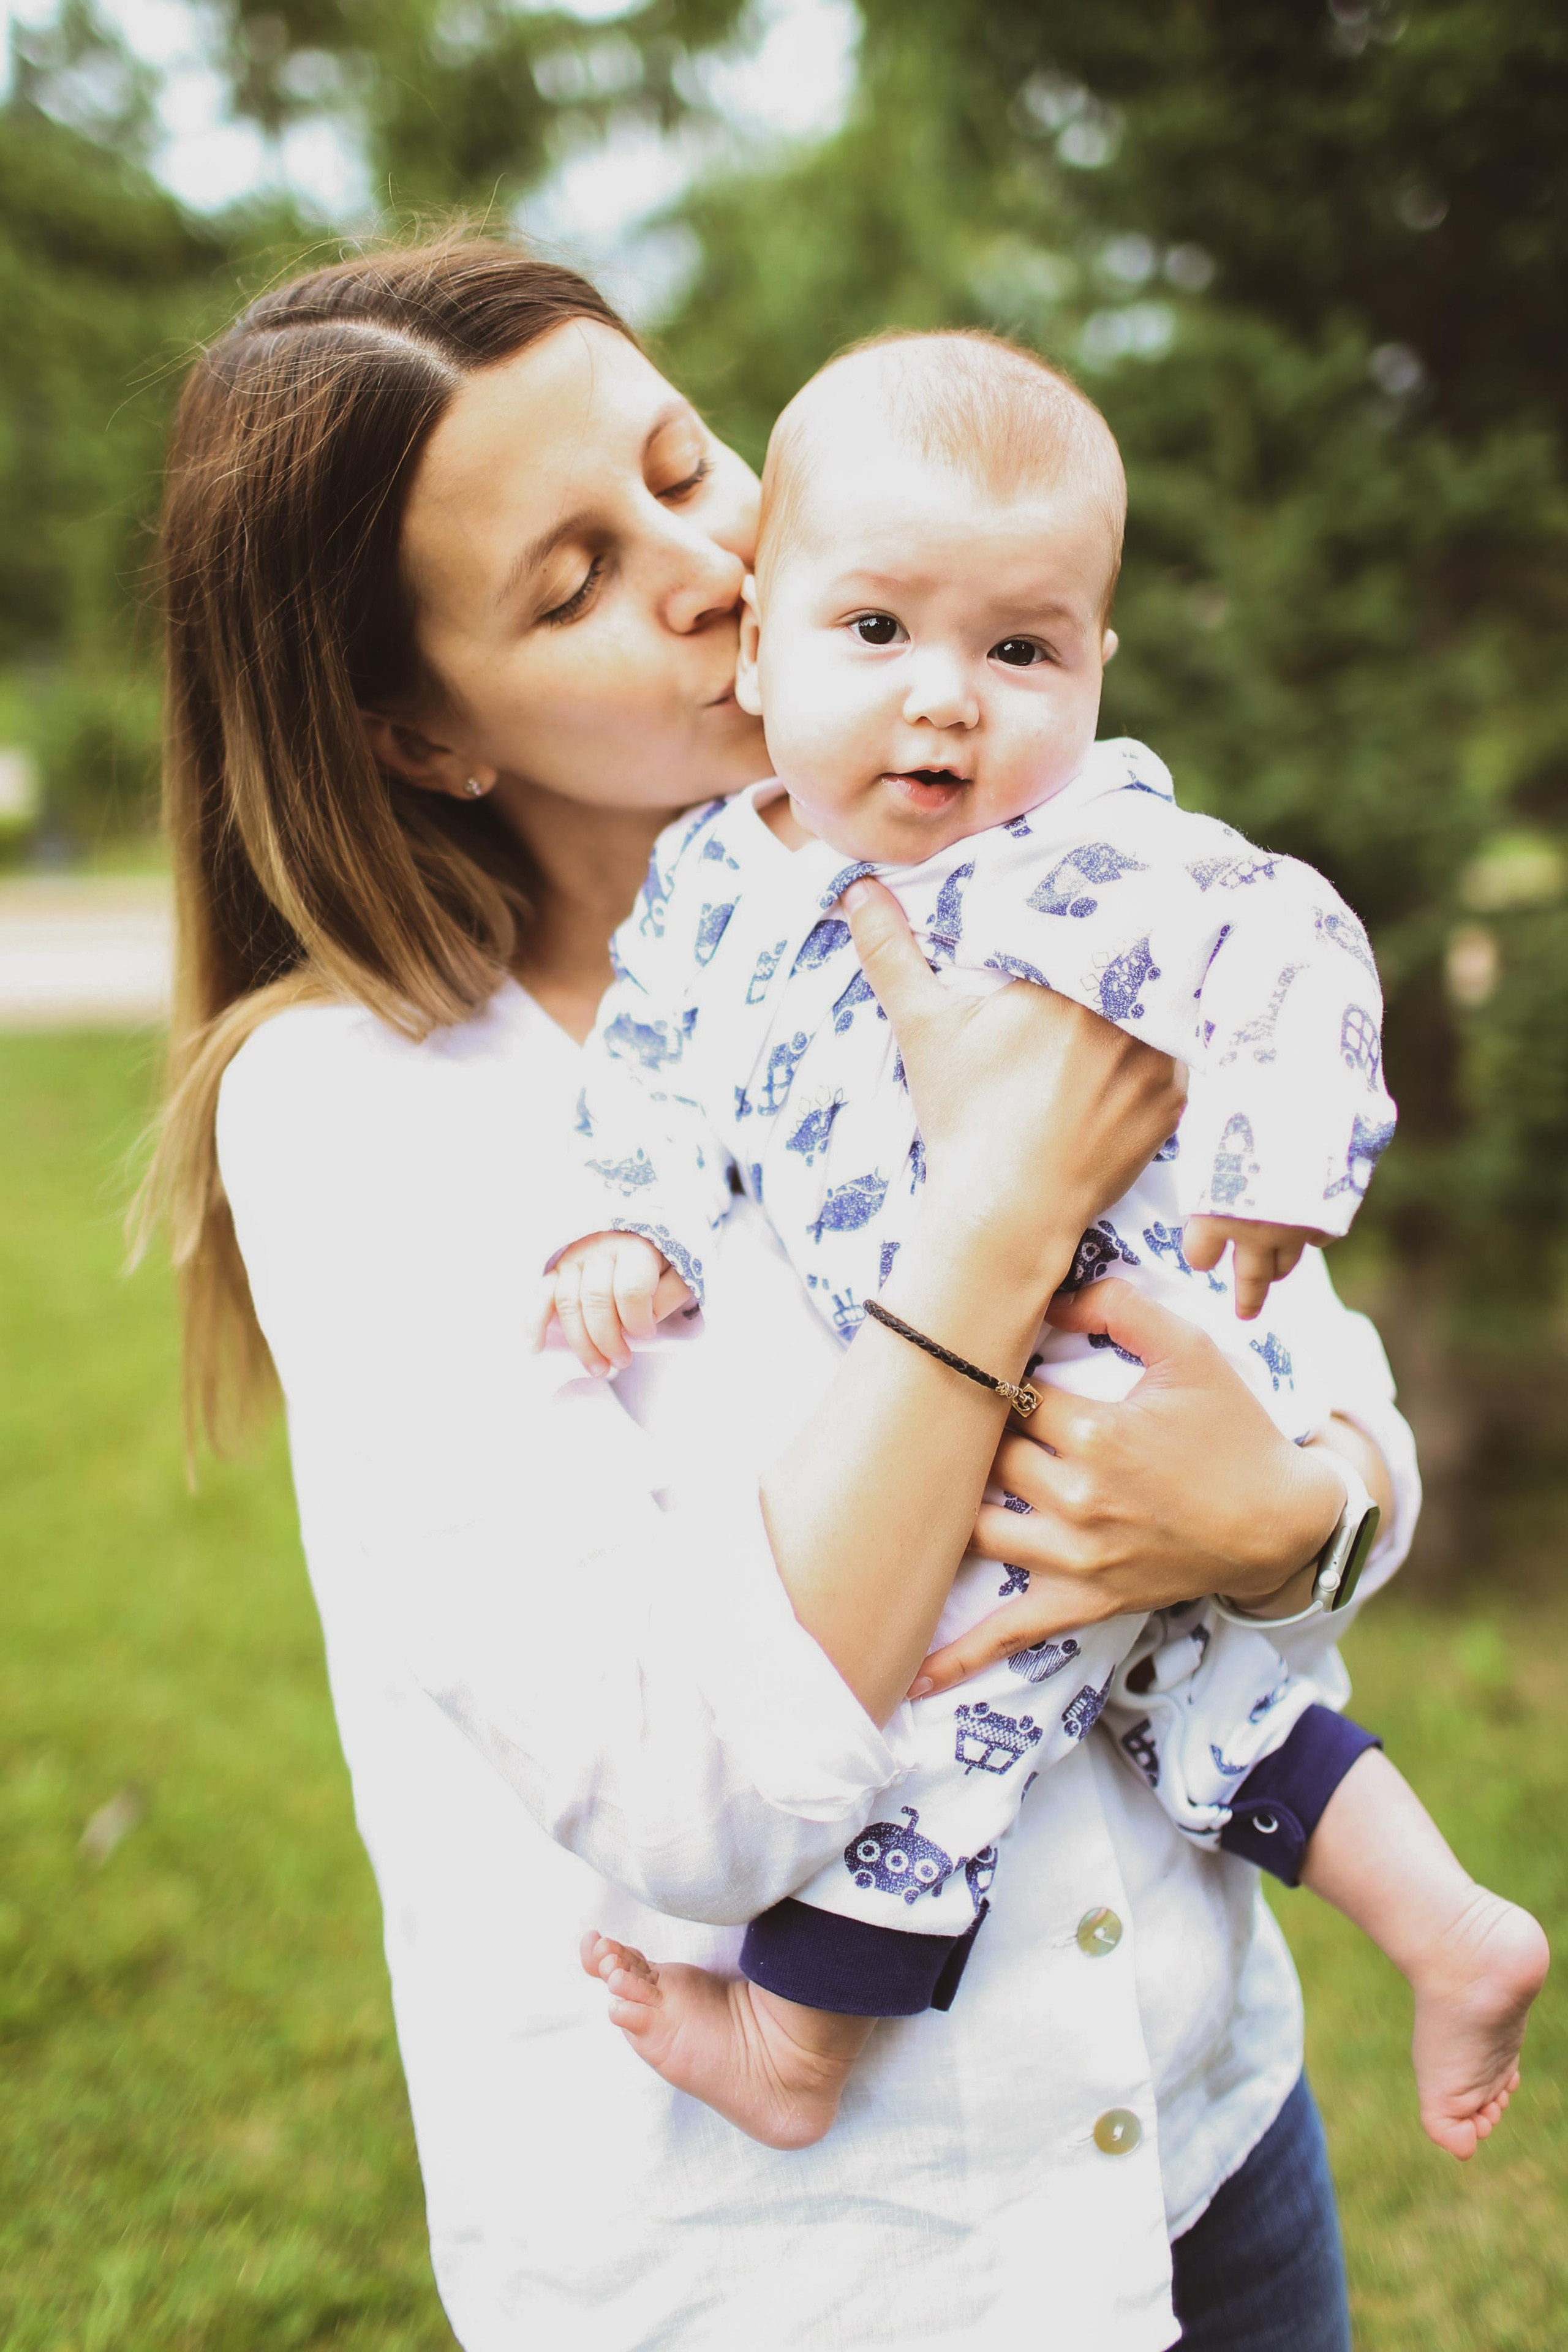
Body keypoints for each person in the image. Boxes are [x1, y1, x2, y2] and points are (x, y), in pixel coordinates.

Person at [140, 232, 1430, 2352]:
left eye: (682, 458)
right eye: (569, 581)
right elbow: (695, 1798)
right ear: (418, 729)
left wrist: (1299, 1523)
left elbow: (1317, 1391)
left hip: (1199, 2136)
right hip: (820, 2272)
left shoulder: (993, 853)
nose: (704, 566)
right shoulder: (363, 1116)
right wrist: (1003, 1209)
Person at [548, 332, 1548, 2156]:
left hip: (1104, 1357)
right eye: (879, 634)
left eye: (1022, 650)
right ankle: (1448, 1924)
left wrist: (1281, 1157)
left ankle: (799, 2045)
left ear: (1097, 667)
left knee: (947, 1702)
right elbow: (652, 1059)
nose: (948, 705)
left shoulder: (1082, 845)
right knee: (1204, 1689)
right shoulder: (706, 879)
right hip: (948, 1383)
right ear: (757, 640)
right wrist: (639, 1217)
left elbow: (1292, 939)